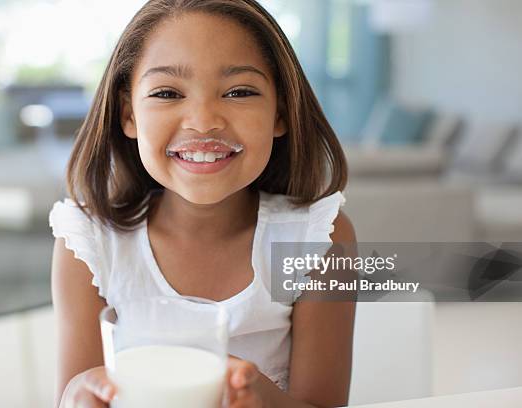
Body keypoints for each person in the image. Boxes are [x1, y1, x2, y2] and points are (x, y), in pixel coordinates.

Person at [50, 0, 356, 406]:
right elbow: (73, 393)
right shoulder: (89, 245)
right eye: (167, 93)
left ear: (280, 112)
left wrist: (255, 393)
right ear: (129, 115)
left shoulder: (318, 240)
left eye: (239, 91)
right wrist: (79, 393)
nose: (203, 120)